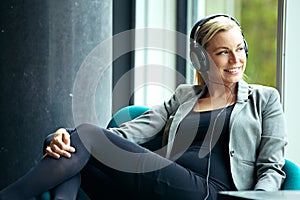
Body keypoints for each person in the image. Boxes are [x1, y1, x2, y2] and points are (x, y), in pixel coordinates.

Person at [0, 13, 287, 200]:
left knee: (86, 137)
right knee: (79, 157)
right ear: (200, 60)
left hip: (211, 194)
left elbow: (272, 168)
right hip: (161, 187)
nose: (236, 59)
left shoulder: (264, 99)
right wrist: (60, 137)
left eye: (239, 49)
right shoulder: (184, 96)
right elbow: (125, 135)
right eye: (224, 52)